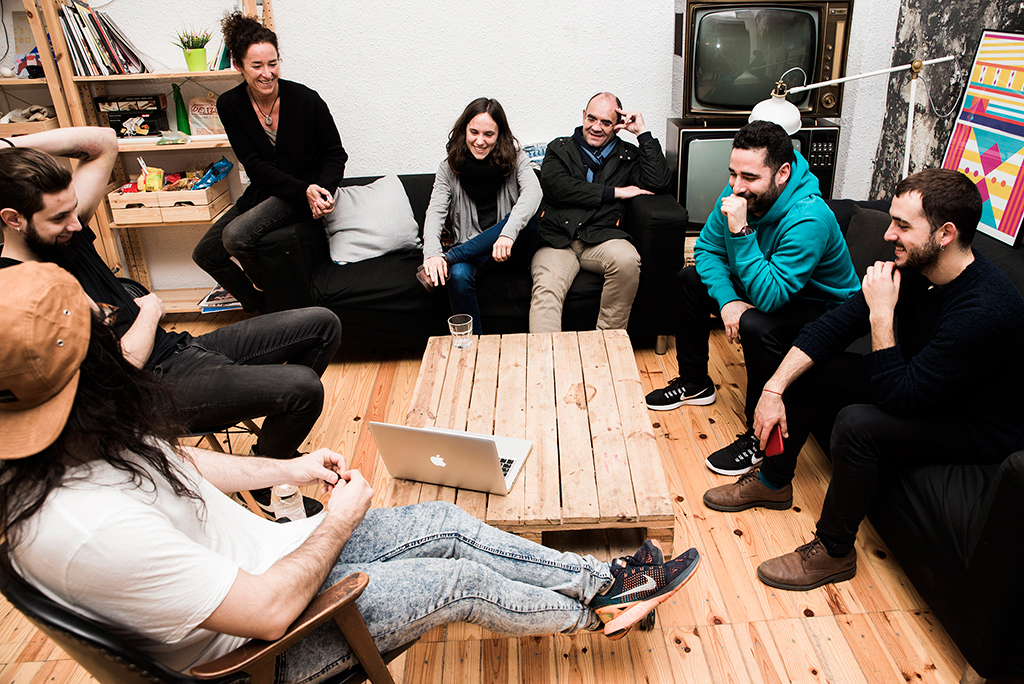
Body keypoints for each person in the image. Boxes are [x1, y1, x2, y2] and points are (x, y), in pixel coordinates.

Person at [0, 260, 702, 682]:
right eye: (109, 337)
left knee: (446, 522)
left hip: (274, 561)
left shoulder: (80, 439)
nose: (125, 339)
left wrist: (293, 466)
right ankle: (596, 613)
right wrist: (336, 522)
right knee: (458, 579)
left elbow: (175, 463)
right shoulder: (84, 528)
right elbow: (267, 613)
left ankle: (607, 582)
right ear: (93, 376)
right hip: (263, 649)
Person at [701, 169, 1024, 591]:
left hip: (974, 425)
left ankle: (834, 550)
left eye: (903, 226)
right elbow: (831, 327)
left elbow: (898, 399)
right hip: (924, 385)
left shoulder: (985, 310)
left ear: (945, 234)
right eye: (891, 221)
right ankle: (771, 481)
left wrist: (881, 314)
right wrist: (773, 388)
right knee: (811, 370)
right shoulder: (915, 266)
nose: (889, 235)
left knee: (858, 425)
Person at [0, 126, 341, 514]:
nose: (77, 225)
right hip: (146, 389)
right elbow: (119, 370)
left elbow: (104, 142)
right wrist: (149, 312)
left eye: (72, 210)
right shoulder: (27, 296)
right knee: (302, 387)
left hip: (177, 349)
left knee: (321, 323)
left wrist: (6, 148)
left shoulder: (61, 232)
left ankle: (269, 456)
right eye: (61, 217)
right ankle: (267, 482)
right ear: (13, 219)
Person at [645, 120, 859, 477]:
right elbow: (707, 250)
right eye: (733, 173)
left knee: (757, 323)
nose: (737, 186)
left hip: (822, 309)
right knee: (689, 280)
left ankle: (757, 438)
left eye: (749, 177)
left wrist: (742, 231)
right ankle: (695, 383)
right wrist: (728, 301)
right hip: (768, 284)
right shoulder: (738, 193)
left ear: (782, 173)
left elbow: (770, 299)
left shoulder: (810, 218)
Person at [192, 11, 348, 313]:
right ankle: (260, 305)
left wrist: (320, 190)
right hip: (269, 192)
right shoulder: (230, 104)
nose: (267, 73)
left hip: (305, 195)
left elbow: (335, 154)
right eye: (257, 66)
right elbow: (255, 166)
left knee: (235, 236)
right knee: (206, 254)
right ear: (239, 66)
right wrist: (302, 190)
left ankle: (271, 297)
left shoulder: (306, 99)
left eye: (273, 63)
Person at [529, 92, 671, 333]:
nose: (596, 127)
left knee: (627, 261)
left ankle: (607, 344)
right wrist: (614, 193)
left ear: (617, 125)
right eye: (592, 119)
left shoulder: (628, 155)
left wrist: (642, 133)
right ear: (584, 116)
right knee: (547, 286)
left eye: (606, 122)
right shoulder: (559, 148)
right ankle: (547, 354)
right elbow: (556, 187)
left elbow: (659, 182)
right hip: (557, 239)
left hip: (601, 238)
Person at [418, 97, 541, 334]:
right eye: (474, 132)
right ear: (464, 130)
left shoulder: (517, 159)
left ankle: (451, 257)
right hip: (476, 254)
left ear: (500, 135)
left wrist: (507, 234)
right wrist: (432, 254)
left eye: (489, 134)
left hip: (512, 250)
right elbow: (435, 211)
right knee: (457, 274)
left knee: (527, 218)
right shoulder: (448, 168)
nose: (480, 141)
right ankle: (474, 348)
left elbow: (533, 194)